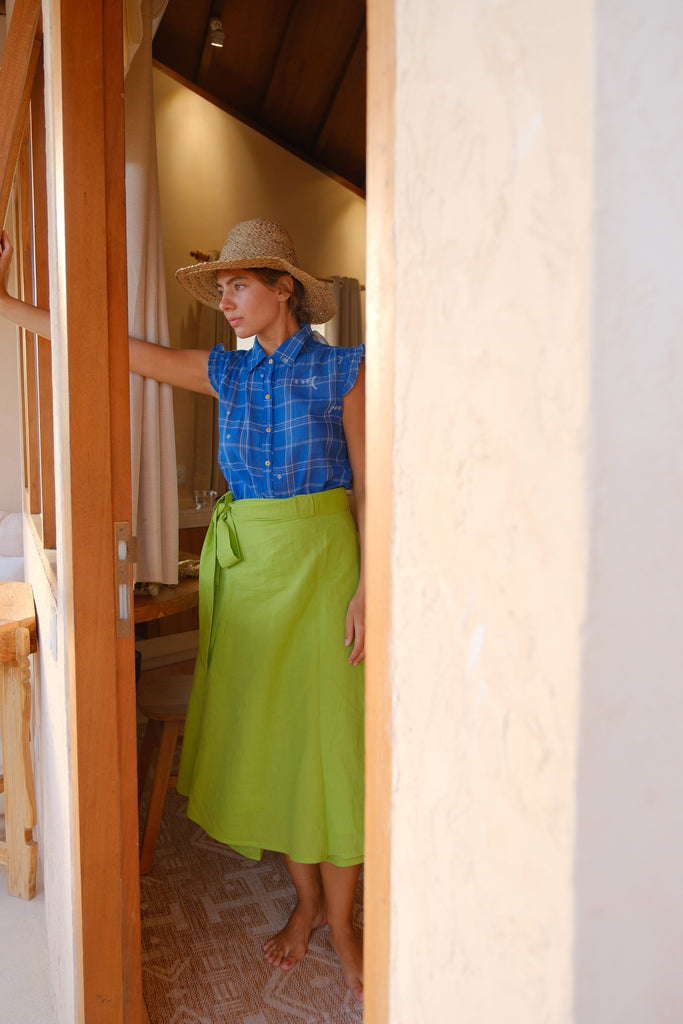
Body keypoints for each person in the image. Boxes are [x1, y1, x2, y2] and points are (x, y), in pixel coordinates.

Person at [0, 218, 365, 1001]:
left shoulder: (345, 370)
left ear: (283, 288)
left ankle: (346, 926)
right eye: (222, 288)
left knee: (329, 745)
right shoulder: (226, 374)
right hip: (255, 572)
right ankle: (305, 907)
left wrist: (371, 590)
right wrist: (8, 305)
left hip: (329, 568)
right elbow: (104, 346)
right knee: (276, 745)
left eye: (240, 285)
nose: (226, 301)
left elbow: (372, 491)